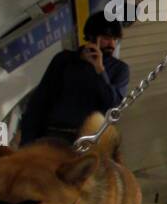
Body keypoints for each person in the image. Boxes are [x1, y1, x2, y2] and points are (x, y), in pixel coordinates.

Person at [18, 12, 131, 146]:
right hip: (53, 135)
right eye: (107, 38)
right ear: (92, 37)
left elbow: (112, 105)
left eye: (115, 40)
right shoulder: (64, 60)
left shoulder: (119, 69)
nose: (112, 44)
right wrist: (27, 142)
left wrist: (100, 70)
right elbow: (40, 101)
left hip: (89, 142)